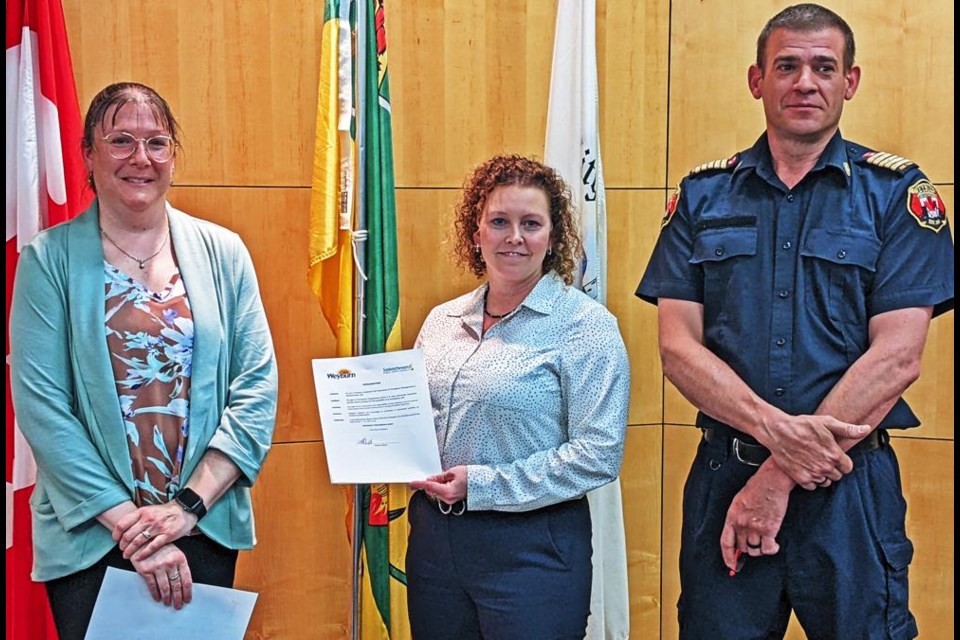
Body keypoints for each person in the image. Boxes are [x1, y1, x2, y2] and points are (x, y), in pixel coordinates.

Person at [636, 4, 954, 639]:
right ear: (758, 80)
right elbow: (678, 348)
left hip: (849, 491)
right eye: (786, 66)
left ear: (850, 81)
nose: (804, 82)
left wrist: (777, 476)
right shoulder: (702, 196)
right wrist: (773, 440)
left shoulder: (895, 194)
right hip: (725, 478)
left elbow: (897, 357)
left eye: (823, 67)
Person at [9, 82, 278, 639]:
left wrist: (185, 509)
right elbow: (42, 409)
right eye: (121, 141)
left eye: (156, 142)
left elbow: (256, 389)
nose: (140, 158)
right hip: (93, 536)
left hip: (202, 526)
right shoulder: (47, 261)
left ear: (173, 155)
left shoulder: (224, 253)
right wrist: (134, 529)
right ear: (88, 153)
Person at [407, 154, 630, 639]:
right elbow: (414, 418)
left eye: (531, 224)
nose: (514, 237)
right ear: (476, 233)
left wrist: (483, 485)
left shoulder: (585, 326)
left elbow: (598, 455)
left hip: (533, 551)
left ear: (552, 237)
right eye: (499, 222)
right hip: (434, 545)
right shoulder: (441, 322)